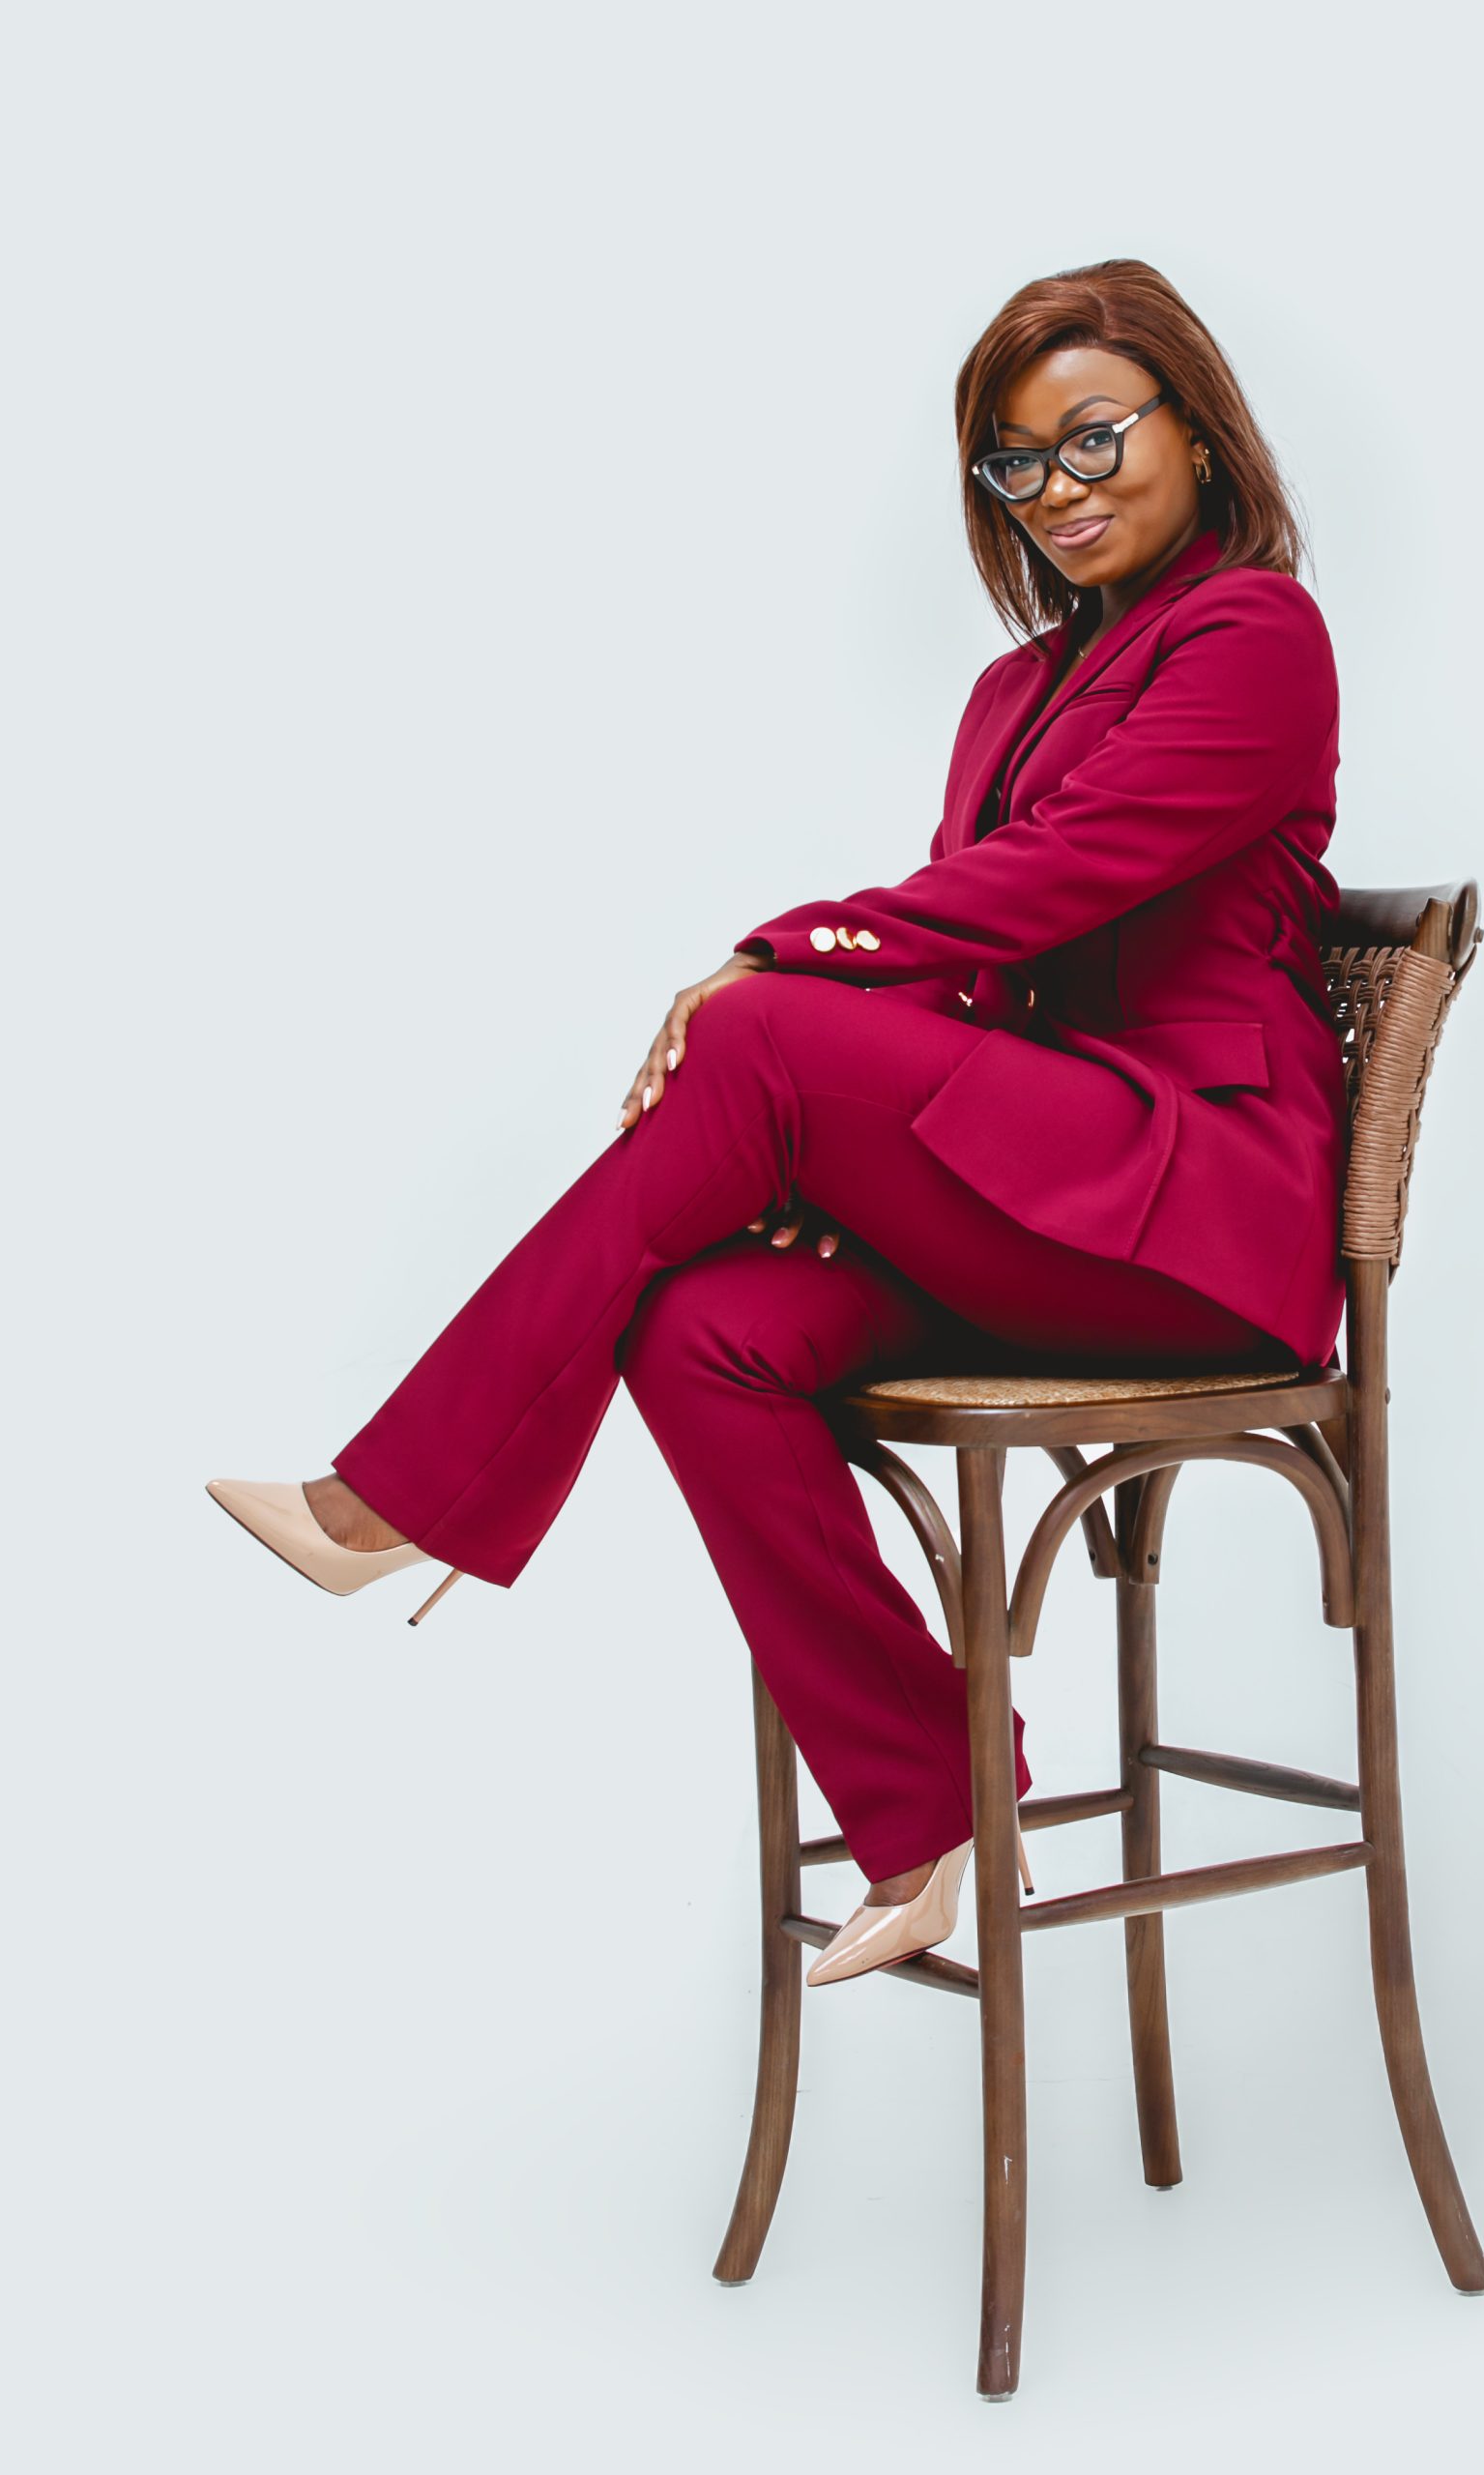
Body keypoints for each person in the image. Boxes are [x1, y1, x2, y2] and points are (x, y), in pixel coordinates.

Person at [207, 256, 1347, 1987]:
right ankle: (933, 1804)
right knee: (703, 1323)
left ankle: (400, 1498)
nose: (1059, 487)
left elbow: (1057, 880)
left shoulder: (1257, 635)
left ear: (1196, 427)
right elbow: (973, 984)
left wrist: (784, 954)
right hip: (1040, 1201)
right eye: (1017, 462)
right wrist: (834, 1166)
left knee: (760, 1034)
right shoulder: (1008, 694)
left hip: (1195, 1220)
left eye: (1096, 435)